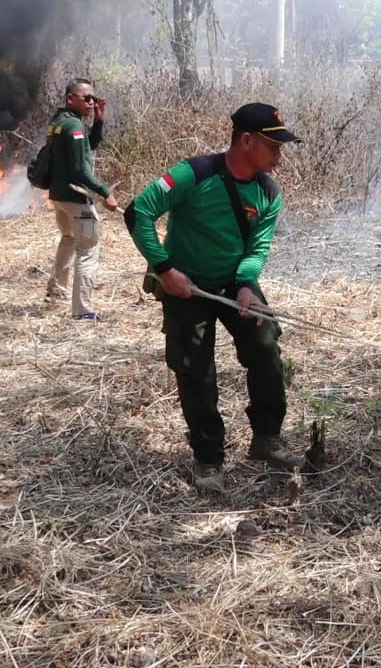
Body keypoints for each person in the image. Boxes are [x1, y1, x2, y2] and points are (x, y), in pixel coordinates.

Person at [124, 102, 302, 492]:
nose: (279, 157)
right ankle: (208, 459)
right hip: (185, 285)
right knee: (195, 369)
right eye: (273, 147)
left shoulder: (269, 193)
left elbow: (257, 248)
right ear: (246, 140)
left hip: (233, 284)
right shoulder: (194, 174)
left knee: (266, 345)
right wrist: (165, 268)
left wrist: (245, 284)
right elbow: (138, 211)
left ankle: (267, 437)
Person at [44, 78, 119, 320]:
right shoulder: (73, 126)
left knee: (68, 238)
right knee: (88, 248)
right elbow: (80, 171)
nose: (91, 102)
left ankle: (56, 292)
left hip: (59, 197)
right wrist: (105, 192)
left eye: (93, 97)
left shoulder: (59, 122)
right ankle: (83, 310)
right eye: (86, 98)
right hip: (76, 199)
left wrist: (99, 120)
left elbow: (89, 146)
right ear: (70, 99)